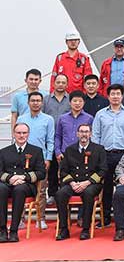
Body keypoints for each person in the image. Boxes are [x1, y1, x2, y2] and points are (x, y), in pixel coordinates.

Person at [92, 84, 124, 227]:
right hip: (105, 154)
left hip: (123, 154)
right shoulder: (100, 114)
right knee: (106, 187)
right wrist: (98, 154)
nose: (116, 96)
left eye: (118, 93)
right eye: (113, 94)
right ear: (108, 96)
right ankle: (105, 217)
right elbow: (96, 135)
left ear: (122, 96)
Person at [55, 123, 108, 241]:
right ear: (77, 134)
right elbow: (63, 171)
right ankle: (64, 229)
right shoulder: (69, 150)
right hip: (73, 183)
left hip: (91, 184)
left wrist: (87, 182)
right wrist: (72, 183)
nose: (84, 134)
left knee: (88, 194)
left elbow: (103, 170)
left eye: (86, 132)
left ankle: (85, 229)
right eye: (82, 132)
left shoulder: (99, 149)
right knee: (60, 194)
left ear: (90, 134)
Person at [0, 123, 46, 243]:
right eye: (19, 133)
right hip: (7, 184)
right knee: (0, 188)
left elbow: (41, 173)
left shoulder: (36, 151)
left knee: (19, 190)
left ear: (28, 134)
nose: (21, 135)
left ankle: (14, 231)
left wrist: (24, 177)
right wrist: (10, 178)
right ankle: (3, 230)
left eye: (24, 133)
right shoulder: (4, 151)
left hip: (27, 186)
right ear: (14, 134)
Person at [17, 92, 54, 230]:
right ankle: (20, 218)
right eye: (33, 100)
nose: (36, 103)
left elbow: (50, 141)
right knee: (19, 188)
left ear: (42, 102)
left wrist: (48, 158)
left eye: (38, 100)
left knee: (42, 189)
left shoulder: (48, 119)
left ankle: (41, 218)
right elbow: (18, 138)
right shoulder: (21, 118)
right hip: (23, 159)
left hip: (41, 159)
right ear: (28, 102)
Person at [43, 74, 69, 209]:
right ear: (54, 83)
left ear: (67, 84)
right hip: (50, 138)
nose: (60, 84)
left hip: (66, 139)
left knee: (65, 167)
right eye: (58, 82)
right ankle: (52, 193)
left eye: (63, 82)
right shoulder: (46, 100)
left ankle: (64, 192)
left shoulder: (70, 100)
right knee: (52, 167)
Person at [55, 92, 94, 167]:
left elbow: (92, 137)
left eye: (80, 101)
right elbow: (58, 136)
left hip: (83, 153)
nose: (77, 103)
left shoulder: (89, 118)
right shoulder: (62, 118)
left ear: (84, 103)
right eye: (75, 101)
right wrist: (57, 152)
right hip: (65, 153)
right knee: (64, 177)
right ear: (70, 102)